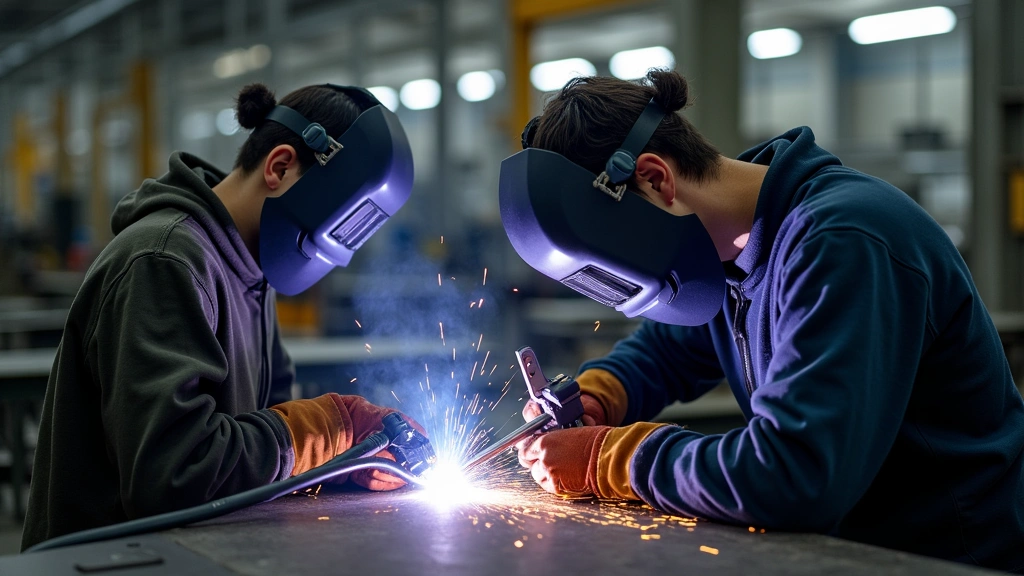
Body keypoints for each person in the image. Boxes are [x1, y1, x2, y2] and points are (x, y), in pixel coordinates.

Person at [507, 70, 1024, 572]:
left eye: (618, 254)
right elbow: (672, 346)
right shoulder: (729, 249)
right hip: (850, 549)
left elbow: (793, 474)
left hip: (947, 559)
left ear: (654, 178)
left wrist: (610, 458)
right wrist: (599, 394)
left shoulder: (844, 241)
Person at [23, 83, 418, 550]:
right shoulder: (164, 261)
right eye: (335, 224)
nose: (335, 251)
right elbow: (175, 476)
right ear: (280, 166)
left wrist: (351, 460)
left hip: (196, 549)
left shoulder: (252, 268)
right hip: (108, 561)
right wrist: (328, 427)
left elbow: (269, 444)